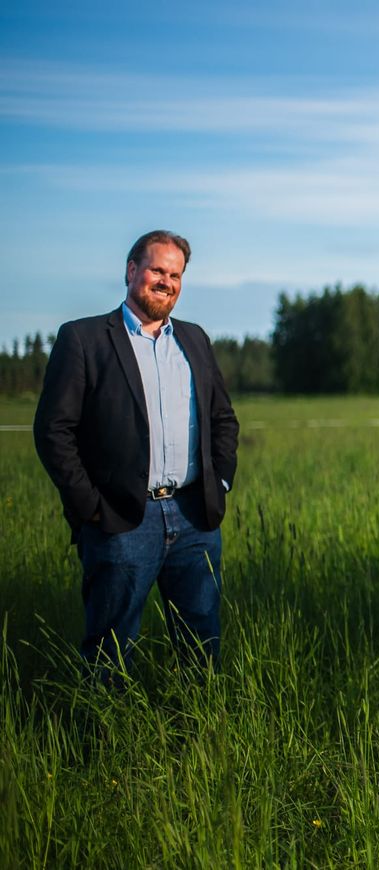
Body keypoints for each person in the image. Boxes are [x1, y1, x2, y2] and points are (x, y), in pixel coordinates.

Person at [34, 230, 239, 679]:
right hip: (122, 520)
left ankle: (200, 719)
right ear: (131, 271)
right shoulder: (84, 339)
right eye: (157, 270)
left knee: (202, 646)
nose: (166, 282)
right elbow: (53, 431)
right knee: (109, 652)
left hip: (194, 517)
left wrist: (220, 481)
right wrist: (90, 506)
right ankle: (105, 723)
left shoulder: (194, 339)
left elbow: (223, 418)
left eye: (176, 275)